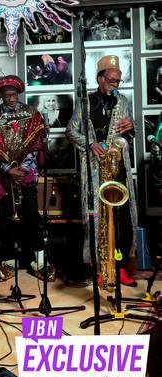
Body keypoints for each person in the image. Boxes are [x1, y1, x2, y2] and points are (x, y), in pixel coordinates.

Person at [66, 55, 138, 288]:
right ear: (100, 79)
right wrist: (90, 145)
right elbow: (70, 131)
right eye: (111, 81)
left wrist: (131, 127)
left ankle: (121, 267)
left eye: (118, 81)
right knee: (98, 221)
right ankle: (101, 269)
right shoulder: (85, 102)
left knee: (123, 219)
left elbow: (128, 133)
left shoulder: (123, 101)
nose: (115, 85)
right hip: (96, 170)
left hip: (119, 170)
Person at [0, 75, 55, 282]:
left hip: (26, 173)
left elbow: (37, 144)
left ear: (19, 94)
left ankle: (38, 261)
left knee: (32, 217)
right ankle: (8, 261)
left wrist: (22, 169)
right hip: (4, 177)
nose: (11, 99)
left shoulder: (31, 114)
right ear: (0, 96)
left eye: (14, 95)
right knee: (5, 220)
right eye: (7, 95)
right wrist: (7, 170)